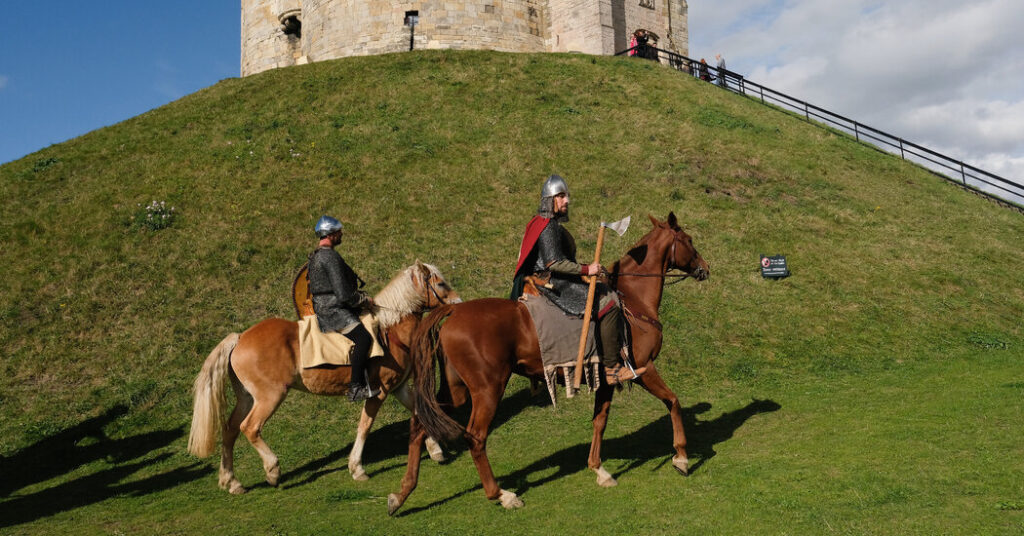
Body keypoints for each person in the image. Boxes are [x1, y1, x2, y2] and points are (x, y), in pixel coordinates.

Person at [512, 175, 645, 385]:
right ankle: (612, 369)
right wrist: (586, 268)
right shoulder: (548, 225)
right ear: (550, 199)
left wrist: (584, 271)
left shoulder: (544, 223)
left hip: (555, 278)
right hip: (553, 283)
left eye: (567, 196)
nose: (567, 201)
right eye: (561, 196)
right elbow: (553, 263)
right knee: (608, 304)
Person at [308, 215, 379, 401]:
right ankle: (356, 387)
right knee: (363, 339)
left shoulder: (316, 255)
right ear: (331, 234)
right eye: (339, 232)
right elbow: (344, 294)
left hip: (326, 306)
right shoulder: (329, 256)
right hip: (333, 311)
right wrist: (364, 300)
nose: (341, 234)